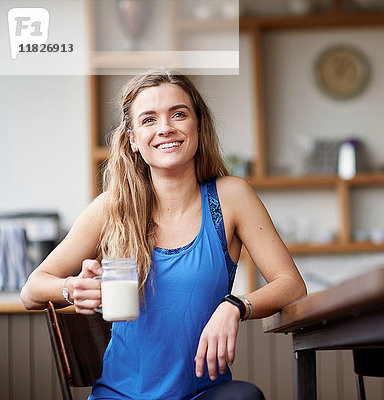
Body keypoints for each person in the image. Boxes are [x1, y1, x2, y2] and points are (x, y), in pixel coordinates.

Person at [20, 68, 307, 399]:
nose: (166, 128)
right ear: (133, 139)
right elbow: (32, 290)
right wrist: (73, 288)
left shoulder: (231, 198)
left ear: (198, 125)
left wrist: (234, 305)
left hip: (202, 394)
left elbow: (291, 285)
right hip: (120, 395)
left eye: (179, 114)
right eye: (148, 120)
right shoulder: (112, 208)